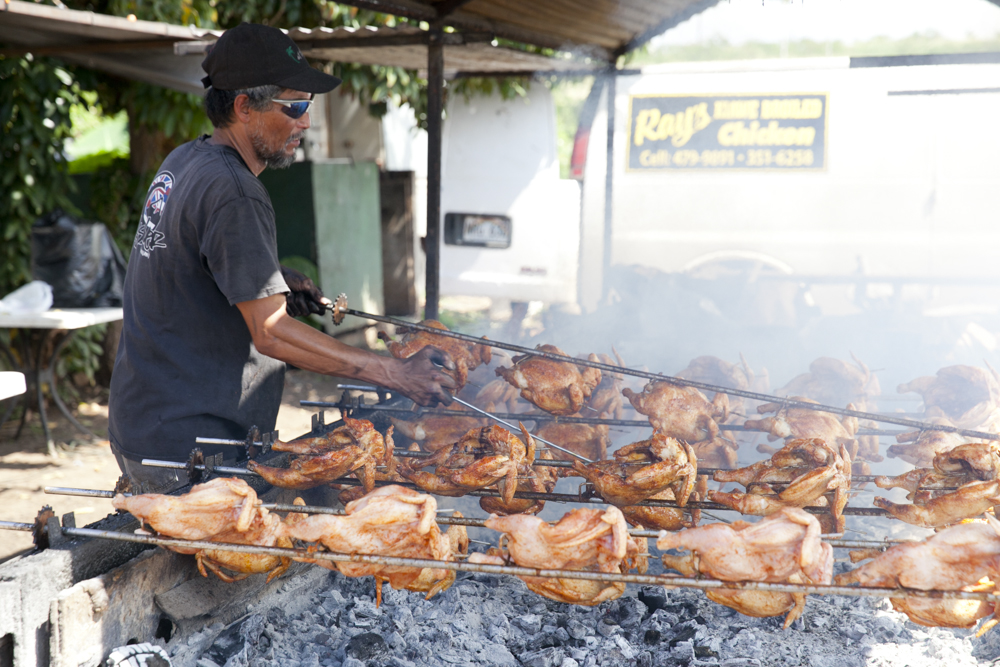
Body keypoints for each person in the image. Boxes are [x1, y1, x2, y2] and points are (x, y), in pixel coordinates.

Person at [108, 23, 456, 491]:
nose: (306, 122)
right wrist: (389, 370)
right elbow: (270, 333)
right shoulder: (237, 193)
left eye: (308, 106)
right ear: (243, 107)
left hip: (144, 425)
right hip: (192, 448)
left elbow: (190, 266)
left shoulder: (186, 160)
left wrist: (271, 279)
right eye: (294, 106)